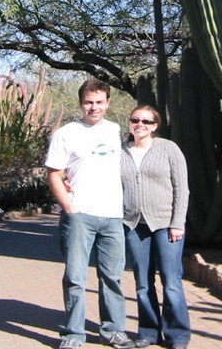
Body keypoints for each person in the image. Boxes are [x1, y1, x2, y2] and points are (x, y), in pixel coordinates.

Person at [45, 79, 135, 349]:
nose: (93, 107)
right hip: (79, 216)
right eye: (88, 102)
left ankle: (113, 331)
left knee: (112, 277)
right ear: (80, 103)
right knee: (75, 277)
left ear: (108, 103)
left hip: (113, 216)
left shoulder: (115, 130)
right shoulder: (65, 134)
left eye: (99, 102)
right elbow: (54, 174)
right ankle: (73, 334)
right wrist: (70, 208)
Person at [121, 105, 191, 349]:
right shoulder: (120, 151)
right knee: (142, 283)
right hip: (133, 224)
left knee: (171, 282)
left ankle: (177, 335)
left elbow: (182, 188)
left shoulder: (168, 148)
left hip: (165, 224)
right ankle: (148, 333)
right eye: (135, 120)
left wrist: (177, 222)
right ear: (129, 123)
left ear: (155, 126)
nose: (140, 125)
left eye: (146, 121)